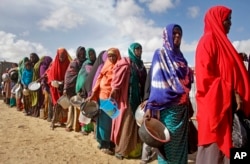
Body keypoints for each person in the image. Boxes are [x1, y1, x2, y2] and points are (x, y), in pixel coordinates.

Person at [195, 6, 250, 164]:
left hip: (228, 109)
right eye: (228, 19)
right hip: (215, 110)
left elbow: (225, 65)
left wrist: (238, 58)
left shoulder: (224, 43)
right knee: (213, 154)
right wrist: (231, 91)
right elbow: (205, 78)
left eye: (230, 19)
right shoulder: (208, 41)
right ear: (218, 19)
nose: (230, 23)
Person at [144, 24, 193, 164]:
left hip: (182, 109)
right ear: (167, 36)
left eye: (179, 34)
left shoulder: (182, 58)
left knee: (181, 147)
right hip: (167, 110)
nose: (177, 36)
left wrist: (188, 103)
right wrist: (150, 106)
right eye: (174, 33)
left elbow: (186, 85)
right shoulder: (160, 54)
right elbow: (156, 83)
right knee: (168, 145)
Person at [110, 43, 147, 160]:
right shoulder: (126, 63)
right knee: (126, 123)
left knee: (136, 124)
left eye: (140, 50)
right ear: (132, 50)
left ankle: (134, 151)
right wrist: (114, 89)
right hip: (127, 98)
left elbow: (145, 82)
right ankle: (121, 150)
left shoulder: (140, 65)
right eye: (137, 49)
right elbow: (117, 78)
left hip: (138, 98)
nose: (139, 52)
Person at [87, 48, 121, 154]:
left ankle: (106, 143)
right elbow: (99, 79)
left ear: (117, 56)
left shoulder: (119, 66)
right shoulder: (106, 65)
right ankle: (105, 144)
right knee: (105, 122)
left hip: (112, 98)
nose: (111, 58)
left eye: (113, 56)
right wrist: (93, 92)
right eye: (109, 56)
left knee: (111, 121)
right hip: (104, 97)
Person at [46, 48, 72, 129]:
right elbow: (50, 75)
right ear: (58, 55)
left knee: (64, 105)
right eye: (61, 56)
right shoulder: (54, 64)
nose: (62, 57)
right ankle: (53, 122)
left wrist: (64, 84)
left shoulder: (68, 63)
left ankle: (61, 121)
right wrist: (53, 82)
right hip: (55, 88)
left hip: (64, 87)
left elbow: (69, 75)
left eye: (64, 56)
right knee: (56, 104)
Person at [64, 46, 86, 132]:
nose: (82, 55)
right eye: (80, 53)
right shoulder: (74, 63)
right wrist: (65, 88)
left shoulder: (86, 62)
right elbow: (68, 76)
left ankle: (78, 126)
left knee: (79, 107)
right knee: (71, 107)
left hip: (81, 88)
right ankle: (69, 125)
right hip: (72, 87)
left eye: (83, 53)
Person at [75, 48, 96, 134]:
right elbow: (82, 77)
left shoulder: (97, 64)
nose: (92, 56)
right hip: (85, 90)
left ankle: (90, 128)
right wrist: (82, 89)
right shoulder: (86, 64)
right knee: (85, 109)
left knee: (92, 109)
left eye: (93, 54)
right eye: (90, 54)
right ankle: (84, 128)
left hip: (93, 90)